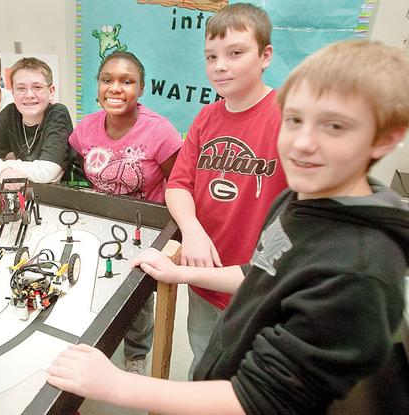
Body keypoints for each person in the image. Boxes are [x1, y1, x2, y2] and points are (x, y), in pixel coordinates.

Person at [48, 39, 409, 415]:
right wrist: (181, 271)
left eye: (334, 126)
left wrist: (115, 384)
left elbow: (259, 399)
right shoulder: (302, 200)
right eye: (294, 120)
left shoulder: (358, 271)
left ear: (387, 137)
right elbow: (265, 274)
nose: (301, 144)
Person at [164, 3, 287, 378]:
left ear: (265, 55)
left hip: (260, 287)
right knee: (204, 363)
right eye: (211, 56)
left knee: (247, 379)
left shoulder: (288, 116)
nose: (220, 66)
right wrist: (193, 231)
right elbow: (178, 185)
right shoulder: (206, 117)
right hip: (204, 276)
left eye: (236, 53)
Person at [69, 51, 182, 374]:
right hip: (102, 220)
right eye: (108, 80)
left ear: (141, 89)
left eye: (126, 81)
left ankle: (136, 354)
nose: (116, 88)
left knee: (138, 301)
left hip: (146, 226)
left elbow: (179, 185)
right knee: (96, 283)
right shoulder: (87, 126)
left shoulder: (160, 131)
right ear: (98, 86)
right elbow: (79, 167)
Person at [0, 57, 73, 184]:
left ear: (51, 92)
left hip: (67, 192)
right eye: (21, 88)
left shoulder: (58, 113)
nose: (29, 95)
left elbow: (48, 172)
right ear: (13, 93)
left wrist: (8, 165)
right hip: (28, 190)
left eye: (37, 87)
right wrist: (3, 172)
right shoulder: (10, 113)